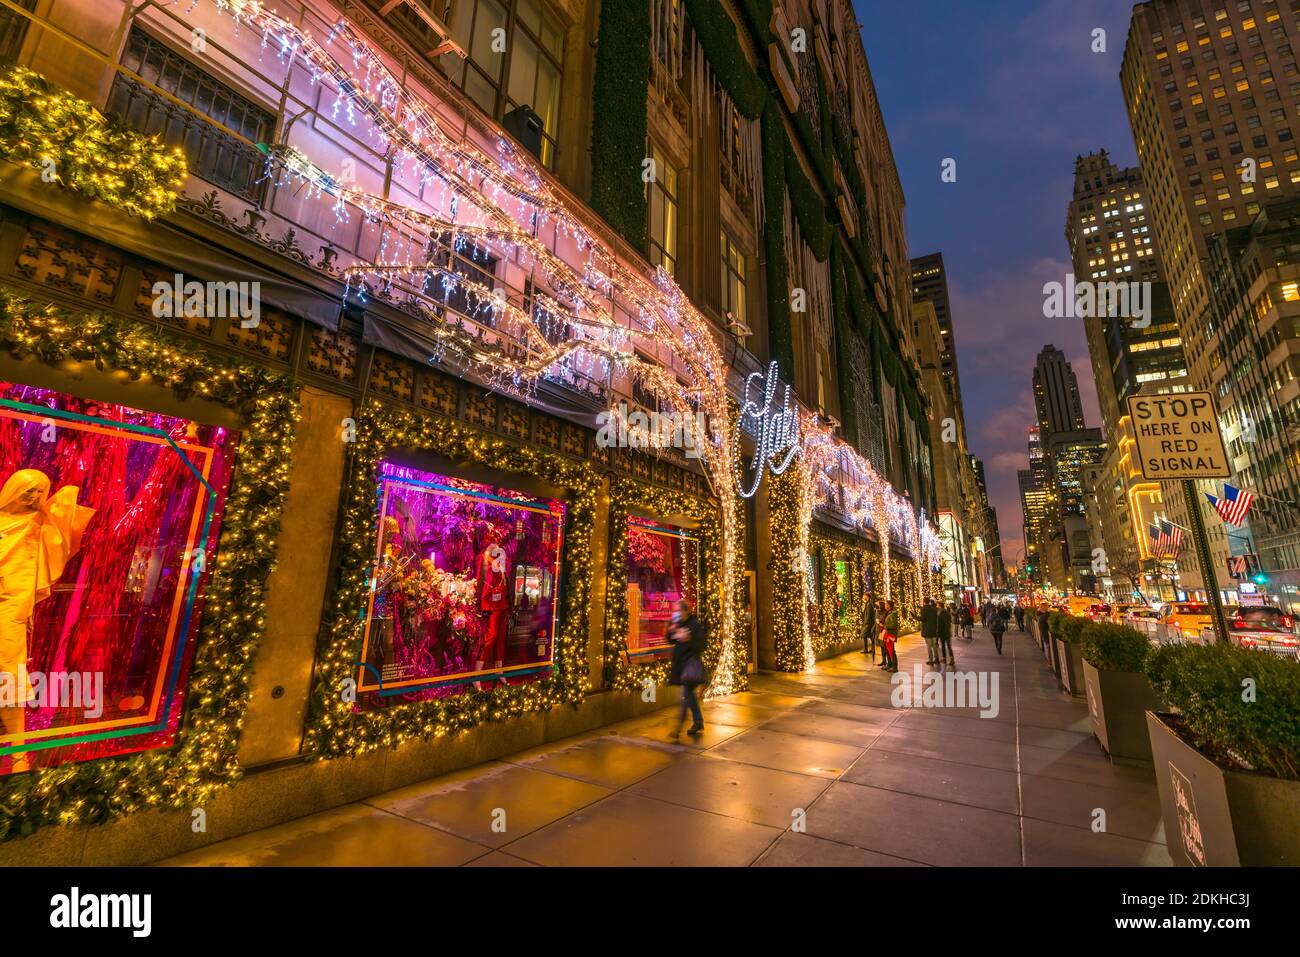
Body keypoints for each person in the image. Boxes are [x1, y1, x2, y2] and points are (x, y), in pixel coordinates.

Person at [0, 469, 94, 775]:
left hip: (10, 610)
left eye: (40, 491)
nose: (34, 497)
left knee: (10, 679)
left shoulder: (40, 524)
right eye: (28, 490)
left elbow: (65, 518)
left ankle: (17, 754)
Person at [667, 598, 707, 739]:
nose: (675, 613)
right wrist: (671, 631)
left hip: (690, 667)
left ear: (685, 611)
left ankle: (678, 728)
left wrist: (688, 639)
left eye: (677, 610)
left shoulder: (694, 624)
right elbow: (670, 639)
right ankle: (698, 721)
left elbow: (702, 645)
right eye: (674, 611)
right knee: (689, 696)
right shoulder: (677, 623)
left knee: (686, 696)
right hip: (681, 667)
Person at [880, 600, 899, 672]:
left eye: (886, 604)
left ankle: (894, 667)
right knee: (887, 650)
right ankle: (889, 665)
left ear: (889, 605)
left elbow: (894, 625)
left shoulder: (893, 613)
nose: (885, 605)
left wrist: (884, 625)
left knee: (891, 650)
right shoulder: (888, 613)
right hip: (886, 634)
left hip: (890, 634)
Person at [920, 597, 939, 667]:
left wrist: (915, 617)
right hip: (934, 630)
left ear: (924, 602)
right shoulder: (933, 609)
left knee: (929, 646)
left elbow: (922, 618)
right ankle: (936, 659)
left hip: (927, 630)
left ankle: (931, 660)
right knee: (934, 645)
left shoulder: (923, 609)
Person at [936, 601, 954, 667]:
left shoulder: (939, 614)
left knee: (943, 646)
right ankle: (952, 659)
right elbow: (950, 622)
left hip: (942, 633)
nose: (936, 606)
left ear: (940, 606)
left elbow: (939, 625)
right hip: (947, 632)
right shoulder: (947, 613)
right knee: (949, 646)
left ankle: (944, 659)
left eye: (937, 605)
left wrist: (937, 635)